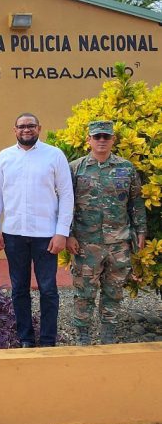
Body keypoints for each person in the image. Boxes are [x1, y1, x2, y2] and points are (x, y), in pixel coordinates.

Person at [0, 113, 73, 347]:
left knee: (48, 289)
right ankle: (25, 338)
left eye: (31, 126)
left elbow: (66, 194)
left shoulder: (54, 155)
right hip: (13, 234)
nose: (26, 130)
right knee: (19, 289)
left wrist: (62, 232)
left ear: (39, 128)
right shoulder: (5, 156)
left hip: (46, 235)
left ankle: (47, 340)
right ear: (14, 129)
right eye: (22, 126)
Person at [67, 120, 146, 345]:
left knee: (114, 290)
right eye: (97, 136)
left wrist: (141, 230)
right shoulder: (76, 168)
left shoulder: (126, 168)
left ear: (113, 140)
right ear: (89, 140)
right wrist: (69, 233)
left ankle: (108, 333)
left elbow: (136, 202)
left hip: (118, 242)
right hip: (85, 242)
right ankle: (82, 334)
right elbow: (65, 204)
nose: (101, 140)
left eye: (106, 137)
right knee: (84, 291)